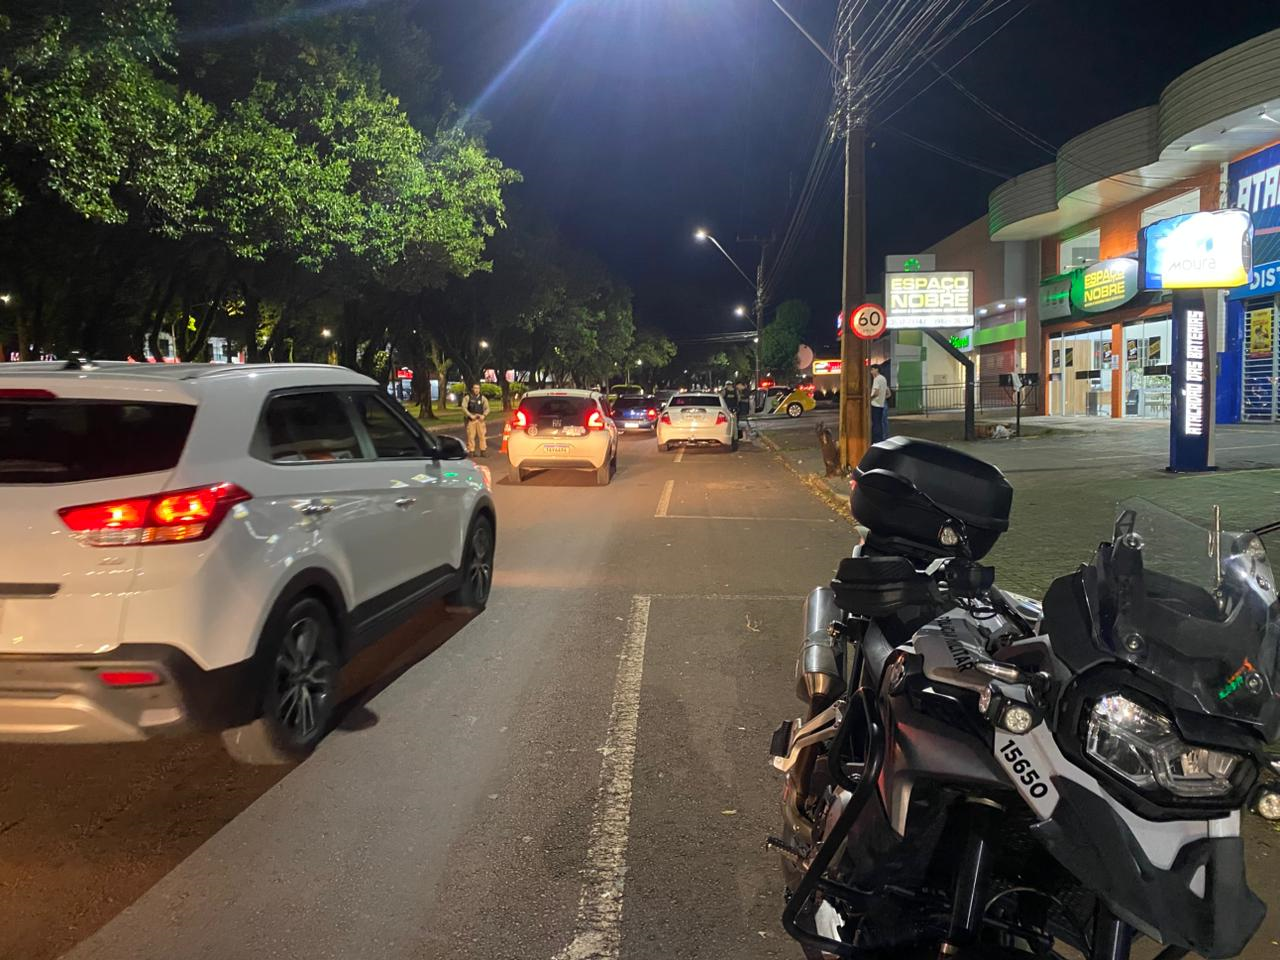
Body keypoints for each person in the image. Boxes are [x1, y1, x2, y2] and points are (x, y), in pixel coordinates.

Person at [464, 383, 490, 457]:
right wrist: (470, 415)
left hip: (480, 420)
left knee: (482, 435)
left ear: (479, 389)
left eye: (478, 388)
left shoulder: (483, 398)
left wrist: (484, 415)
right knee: (471, 436)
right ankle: (471, 451)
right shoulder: (468, 397)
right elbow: (464, 408)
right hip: (471, 420)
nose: (476, 390)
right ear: (472, 389)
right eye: (475, 388)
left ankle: (483, 451)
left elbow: (487, 408)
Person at [869, 363, 890, 443]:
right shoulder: (883, 378)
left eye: (872, 370)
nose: (871, 372)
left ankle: (876, 440)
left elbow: (876, 392)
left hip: (875, 403)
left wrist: (870, 398)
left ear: (877, 370)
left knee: (876, 423)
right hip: (881, 404)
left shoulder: (877, 379)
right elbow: (887, 392)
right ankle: (882, 438)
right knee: (881, 423)